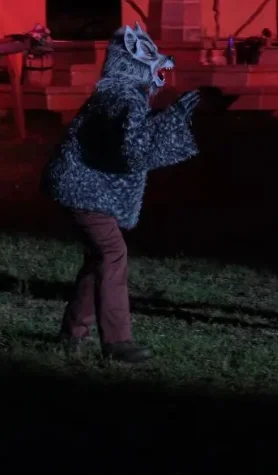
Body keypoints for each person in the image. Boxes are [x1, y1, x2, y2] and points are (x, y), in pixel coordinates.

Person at [42, 23, 202, 363]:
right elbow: (134, 151)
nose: (161, 70)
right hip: (83, 190)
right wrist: (174, 118)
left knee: (99, 258)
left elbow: (131, 138)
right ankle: (116, 342)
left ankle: (72, 335)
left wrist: (167, 117)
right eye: (152, 62)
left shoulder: (119, 95)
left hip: (80, 187)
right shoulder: (124, 98)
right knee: (113, 253)